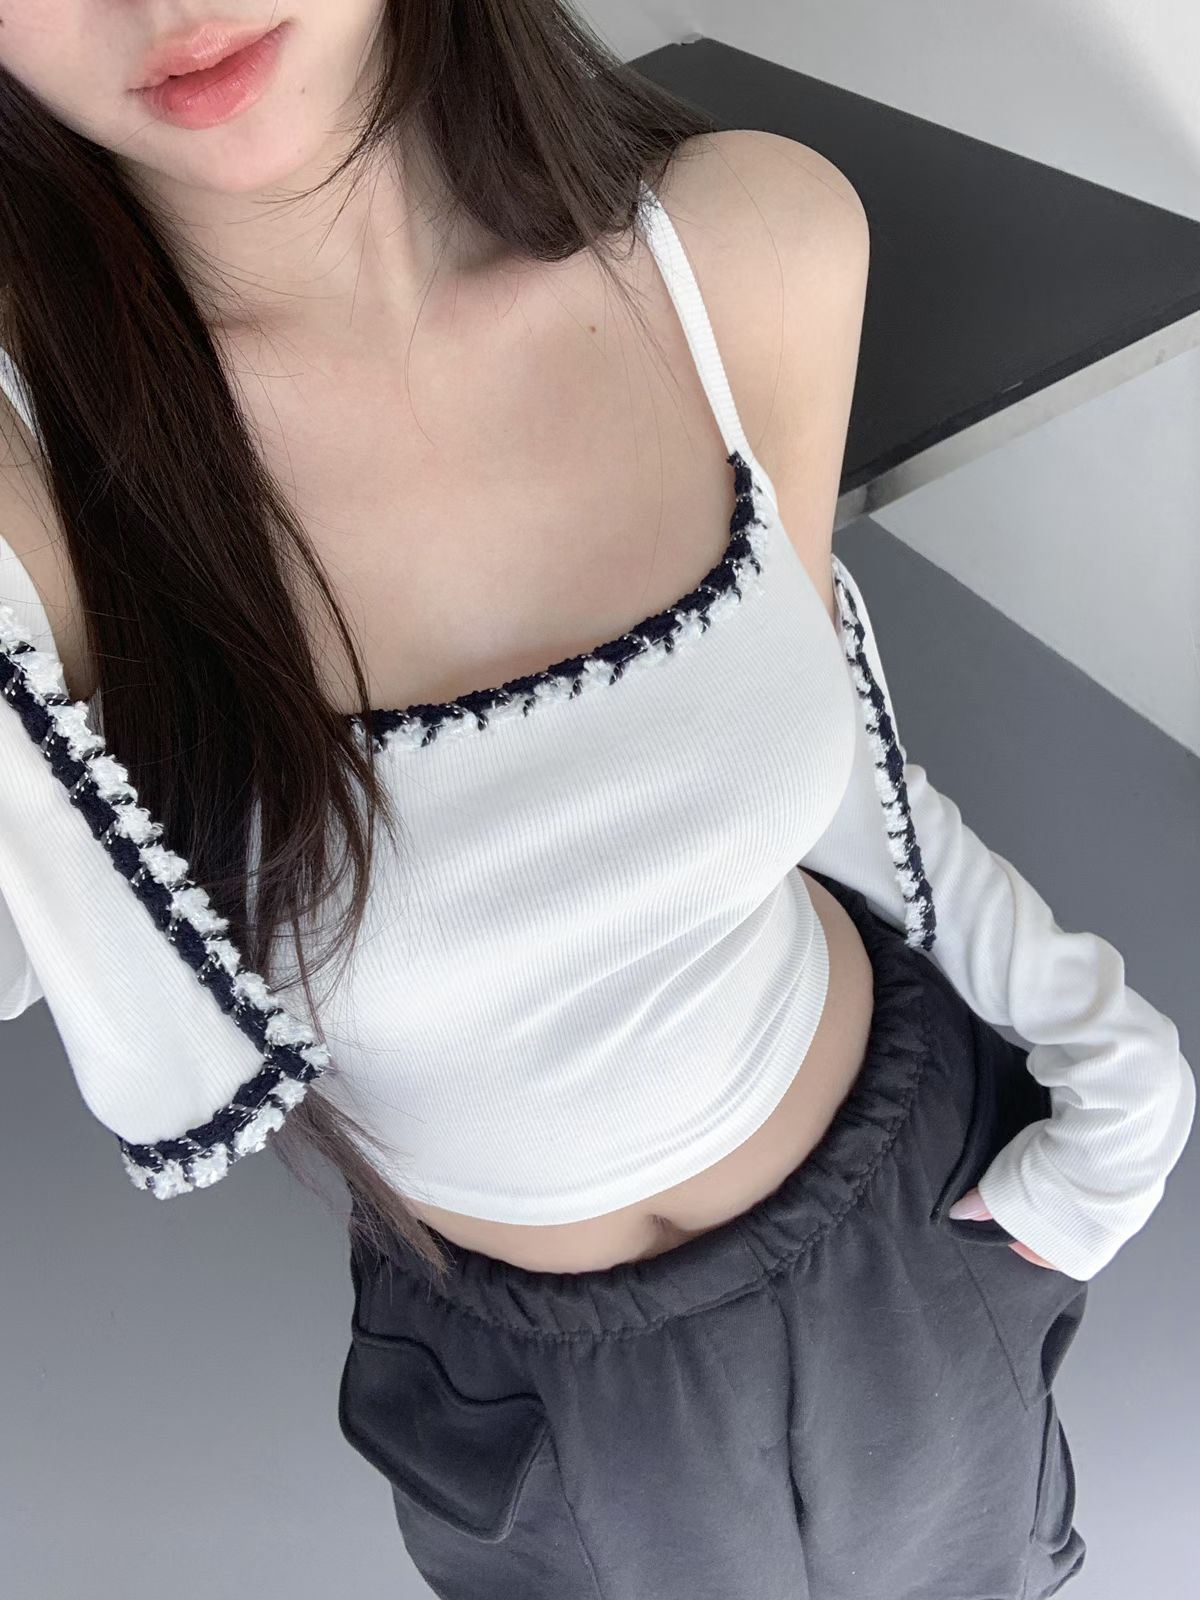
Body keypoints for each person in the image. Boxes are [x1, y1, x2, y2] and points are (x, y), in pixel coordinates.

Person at [0, 6, 1192, 1597]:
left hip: (913, 1205)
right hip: (532, 1373)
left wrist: (1099, 1038)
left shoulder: (748, 241)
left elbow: (809, 733)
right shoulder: (34, 486)